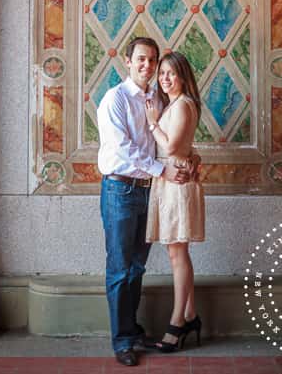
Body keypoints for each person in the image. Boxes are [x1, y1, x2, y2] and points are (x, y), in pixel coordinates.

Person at [97, 37, 193, 367]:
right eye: (141, 59)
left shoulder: (156, 98)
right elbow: (124, 149)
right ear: (128, 61)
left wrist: (190, 159)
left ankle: (133, 330)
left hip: (147, 190)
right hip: (120, 190)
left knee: (137, 266)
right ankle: (122, 341)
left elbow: (170, 140)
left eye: (152, 60)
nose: (148, 66)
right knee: (121, 268)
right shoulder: (116, 99)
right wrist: (163, 170)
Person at [144, 51, 205, 352]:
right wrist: (193, 157)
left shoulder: (183, 105)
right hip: (170, 181)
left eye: (171, 73)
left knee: (177, 255)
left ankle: (177, 322)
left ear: (183, 76)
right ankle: (191, 314)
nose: (165, 79)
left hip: (177, 185)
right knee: (177, 253)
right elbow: (184, 148)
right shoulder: (175, 105)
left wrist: (153, 123)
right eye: (162, 74)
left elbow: (171, 145)